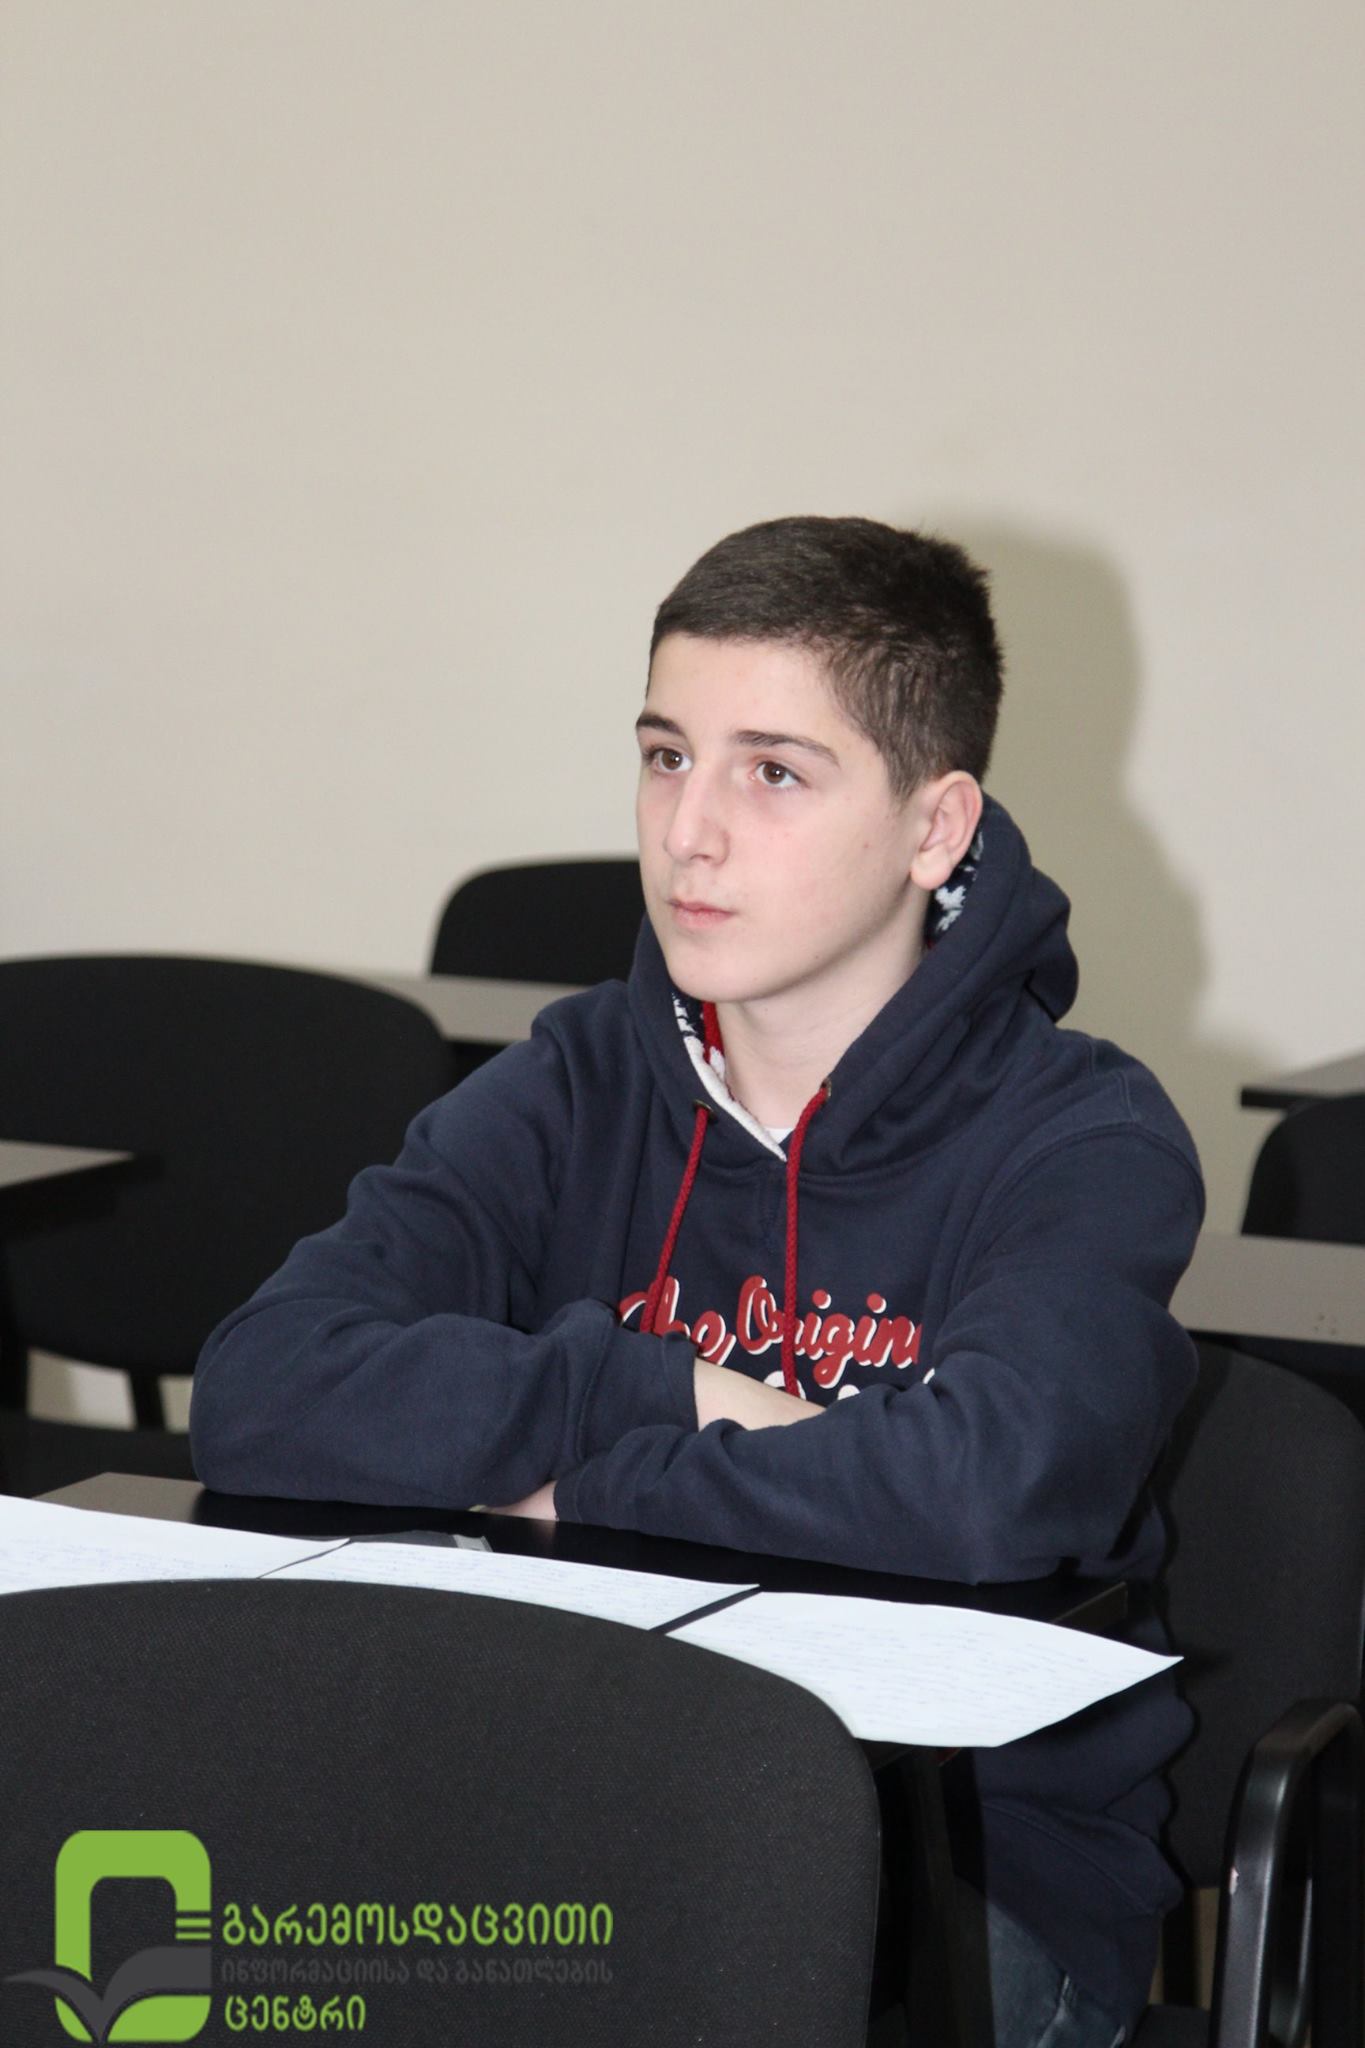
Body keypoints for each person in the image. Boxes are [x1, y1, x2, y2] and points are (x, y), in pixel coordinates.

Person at [192, 515, 1204, 2048]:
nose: (687, 833)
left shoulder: (1079, 1137)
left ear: (934, 828)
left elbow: (984, 1492)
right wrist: (657, 1382)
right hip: (574, 1806)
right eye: (666, 757)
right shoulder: (575, 1080)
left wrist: (575, 1481)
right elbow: (264, 1386)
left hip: (960, 1878)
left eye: (772, 773)